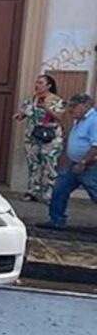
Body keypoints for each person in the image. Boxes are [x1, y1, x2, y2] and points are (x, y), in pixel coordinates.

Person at [38, 93, 97, 231]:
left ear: (85, 106)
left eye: (73, 106)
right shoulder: (80, 120)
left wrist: (83, 162)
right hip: (73, 164)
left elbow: (95, 146)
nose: (70, 110)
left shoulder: (94, 121)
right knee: (59, 189)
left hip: (89, 166)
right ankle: (56, 220)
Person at [13, 74, 65, 202]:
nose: (37, 85)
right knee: (33, 164)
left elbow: (59, 117)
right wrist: (19, 115)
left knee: (49, 165)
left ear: (49, 86)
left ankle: (48, 194)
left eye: (41, 83)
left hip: (51, 139)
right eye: (37, 82)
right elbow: (24, 113)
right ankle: (32, 191)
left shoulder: (57, 101)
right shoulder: (31, 100)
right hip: (33, 137)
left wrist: (46, 108)